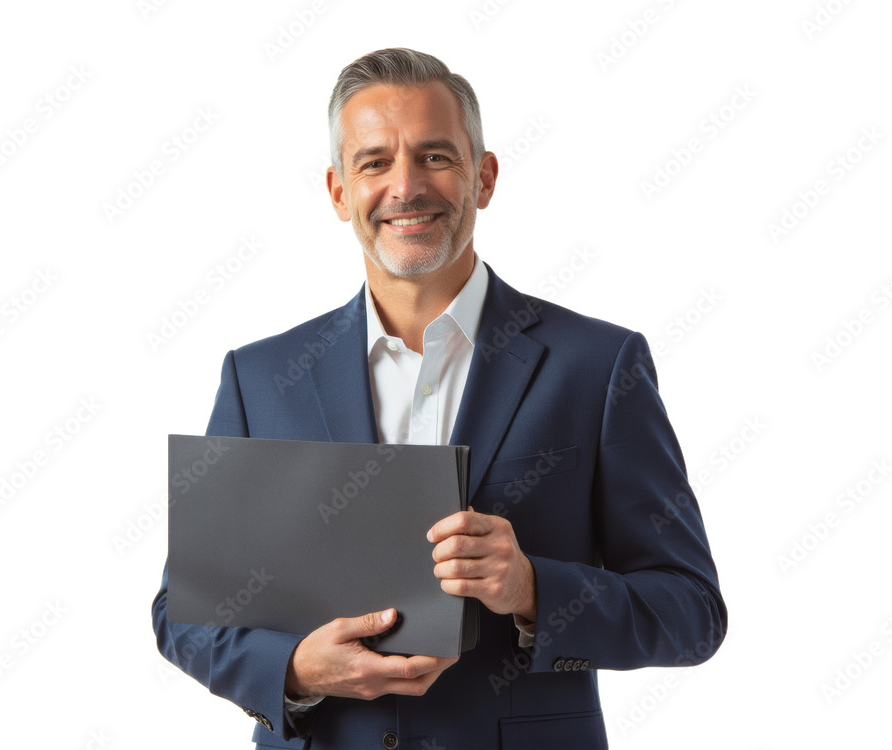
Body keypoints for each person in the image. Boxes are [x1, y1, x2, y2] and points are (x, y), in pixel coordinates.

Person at [152, 47, 727, 750]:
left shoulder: (599, 366)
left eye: (435, 156)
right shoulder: (261, 378)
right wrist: (295, 669)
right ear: (338, 193)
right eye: (374, 162)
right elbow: (183, 616)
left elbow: (691, 612)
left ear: (483, 178)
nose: (406, 186)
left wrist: (531, 589)